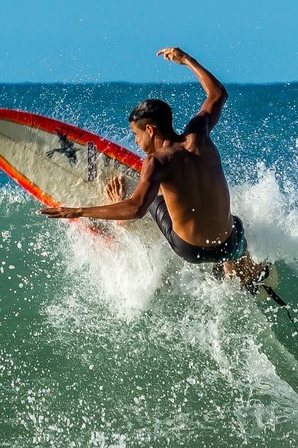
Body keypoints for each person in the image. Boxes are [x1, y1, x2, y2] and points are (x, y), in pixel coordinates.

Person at [39, 47, 270, 292]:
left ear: (150, 130)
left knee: (151, 197)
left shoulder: (157, 162)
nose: (137, 143)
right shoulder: (199, 134)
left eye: (136, 135)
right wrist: (186, 60)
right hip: (229, 244)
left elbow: (136, 208)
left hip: (190, 250)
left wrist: (80, 211)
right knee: (235, 222)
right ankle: (239, 267)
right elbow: (218, 94)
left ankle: (124, 227)